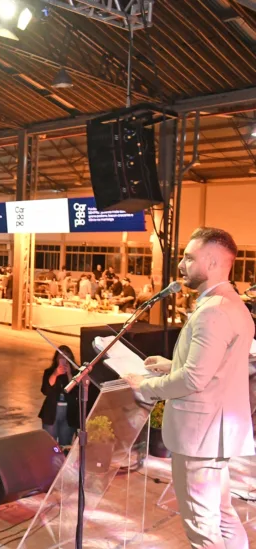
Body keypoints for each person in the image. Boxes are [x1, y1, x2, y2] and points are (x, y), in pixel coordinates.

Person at [126, 227, 255, 549]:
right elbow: (217, 371)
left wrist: (146, 386)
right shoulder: (233, 305)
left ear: (211, 262)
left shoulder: (212, 313)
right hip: (216, 434)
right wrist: (171, 365)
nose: (181, 265)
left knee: (202, 527)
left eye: (188, 257)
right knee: (223, 515)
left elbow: (194, 380)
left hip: (200, 437)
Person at [38, 346, 79, 446]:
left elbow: (76, 392)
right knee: (49, 443)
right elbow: (45, 390)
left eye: (66, 355)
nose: (63, 358)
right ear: (56, 358)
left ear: (70, 357)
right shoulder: (49, 372)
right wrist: (55, 374)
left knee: (65, 444)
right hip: (51, 412)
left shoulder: (76, 373)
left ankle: (63, 461)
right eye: (60, 355)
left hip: (68, 413)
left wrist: (69, 374)